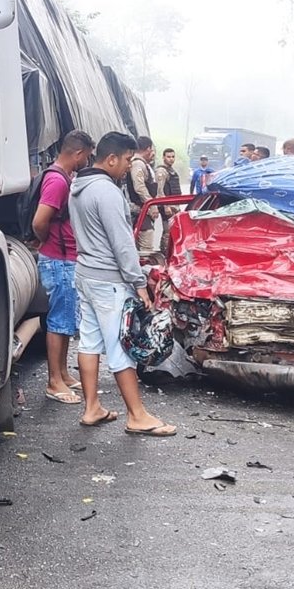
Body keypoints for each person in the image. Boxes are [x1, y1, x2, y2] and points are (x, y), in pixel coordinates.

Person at [69, 131, 176, 436]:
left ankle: (91, 408)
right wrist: (139, 282)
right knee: (121, 347)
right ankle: (137, 415)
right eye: (128, 160)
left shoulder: (77, 186)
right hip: (108, 280)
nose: (129, 166)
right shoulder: (107, 192)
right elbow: (122, 244)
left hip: (86, 274)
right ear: (112, 158)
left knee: (89, 341)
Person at [32, 130, 96, 404]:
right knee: (58, 320)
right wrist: (50, 244)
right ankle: (54, 381)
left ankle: (63, 373)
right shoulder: (58, 182)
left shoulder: (61, 177)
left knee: (66, 317)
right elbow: (39, 221)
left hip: (65, 258)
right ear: (78, 153)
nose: (88, 162)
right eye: (88, 156)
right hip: (59, 260)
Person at [127, 135, 158, 254]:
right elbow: (139, 187)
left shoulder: (143, 164)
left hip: (143, 210)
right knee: (146, 250)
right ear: (148, 149)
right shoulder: (138, 164)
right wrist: (152, 205)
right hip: (141, 210)